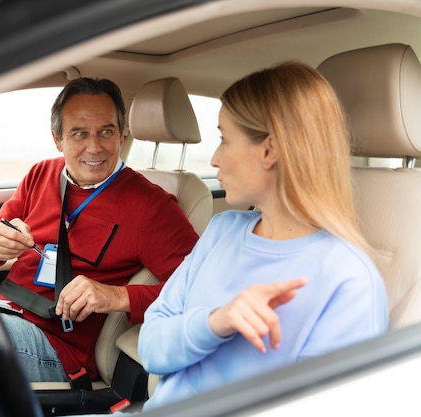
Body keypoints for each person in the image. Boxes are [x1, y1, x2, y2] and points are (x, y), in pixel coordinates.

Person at [136, 61, 389, 411]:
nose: (213, 158)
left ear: (269, 150)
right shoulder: (221, 231)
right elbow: (150, 349)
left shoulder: (349, 279)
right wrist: (216, 322)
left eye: (224, 139)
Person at [0, 77, 199, 383]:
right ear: (58, 139)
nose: (94, 147)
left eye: (106, 131)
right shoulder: (42, 173)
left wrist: (117, 297)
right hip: (3, 305)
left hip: (55, 345)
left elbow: (200, 289)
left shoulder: (152, 207)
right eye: (79, 133)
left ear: (121, 135)